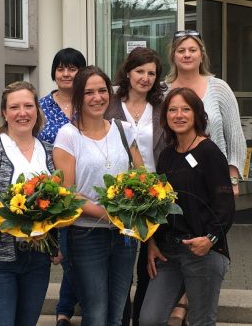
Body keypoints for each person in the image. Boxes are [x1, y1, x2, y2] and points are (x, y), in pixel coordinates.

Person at [0, 81, 60, 326]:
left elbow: (57, 203)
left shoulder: (49, 152)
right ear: (5, 113)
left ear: (37, 110)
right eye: (14, 107)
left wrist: (55, 241)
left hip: (36, 261)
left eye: (28, 106)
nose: (22, 113)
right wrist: (17, 221)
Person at [53, 66, 144, 326]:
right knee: (96, 312)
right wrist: (111, 215)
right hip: (86, 235)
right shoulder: (68, 136)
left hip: (125, 235)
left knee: (117, 312)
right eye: (89, 92)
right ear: (79, 97)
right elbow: (68, 195)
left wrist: (138, 208)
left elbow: (141, 176)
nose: (97, 97)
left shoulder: (125, 130)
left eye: (102, 90)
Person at [139, 88, 235, 326]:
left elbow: (226, 206)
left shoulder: (209, 152)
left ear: (197, 115)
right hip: (168, 252)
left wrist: (210, 239)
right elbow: (158, 205)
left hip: (202, 249)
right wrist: (151, 242)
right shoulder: (167, 156)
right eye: (172, 110)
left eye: (185, 109)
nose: (178, 115)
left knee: (201, 321)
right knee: (149, 320)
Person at [105, 47, 167, 326]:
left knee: (149, 265)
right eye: (140, 71)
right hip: (120, 195)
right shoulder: (109, 104)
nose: (145, 78)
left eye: (151, 73)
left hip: (157, 195)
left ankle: (141, 317)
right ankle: (120, 317)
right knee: (120, 266)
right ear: (128, 72)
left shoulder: (163, 107)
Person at [37, 47, 86, 326]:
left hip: (88, 188)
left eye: (72, 68)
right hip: (51, 191)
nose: (66, 74)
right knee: (63, 249)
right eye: (61, 68)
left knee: (75, 250)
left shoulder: (91, 102)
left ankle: (64, 310)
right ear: (54, 72)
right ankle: (66, 308)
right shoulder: (41, 106)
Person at [166, 30, 246, 195]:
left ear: (202, 56)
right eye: (181, 51)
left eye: (192, 50)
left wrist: (233, 178)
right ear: (173, 56)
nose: (187, 55)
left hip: (215, 177)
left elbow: (235, 136)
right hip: (173, 179)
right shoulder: (162, 92)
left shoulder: (219, 88)